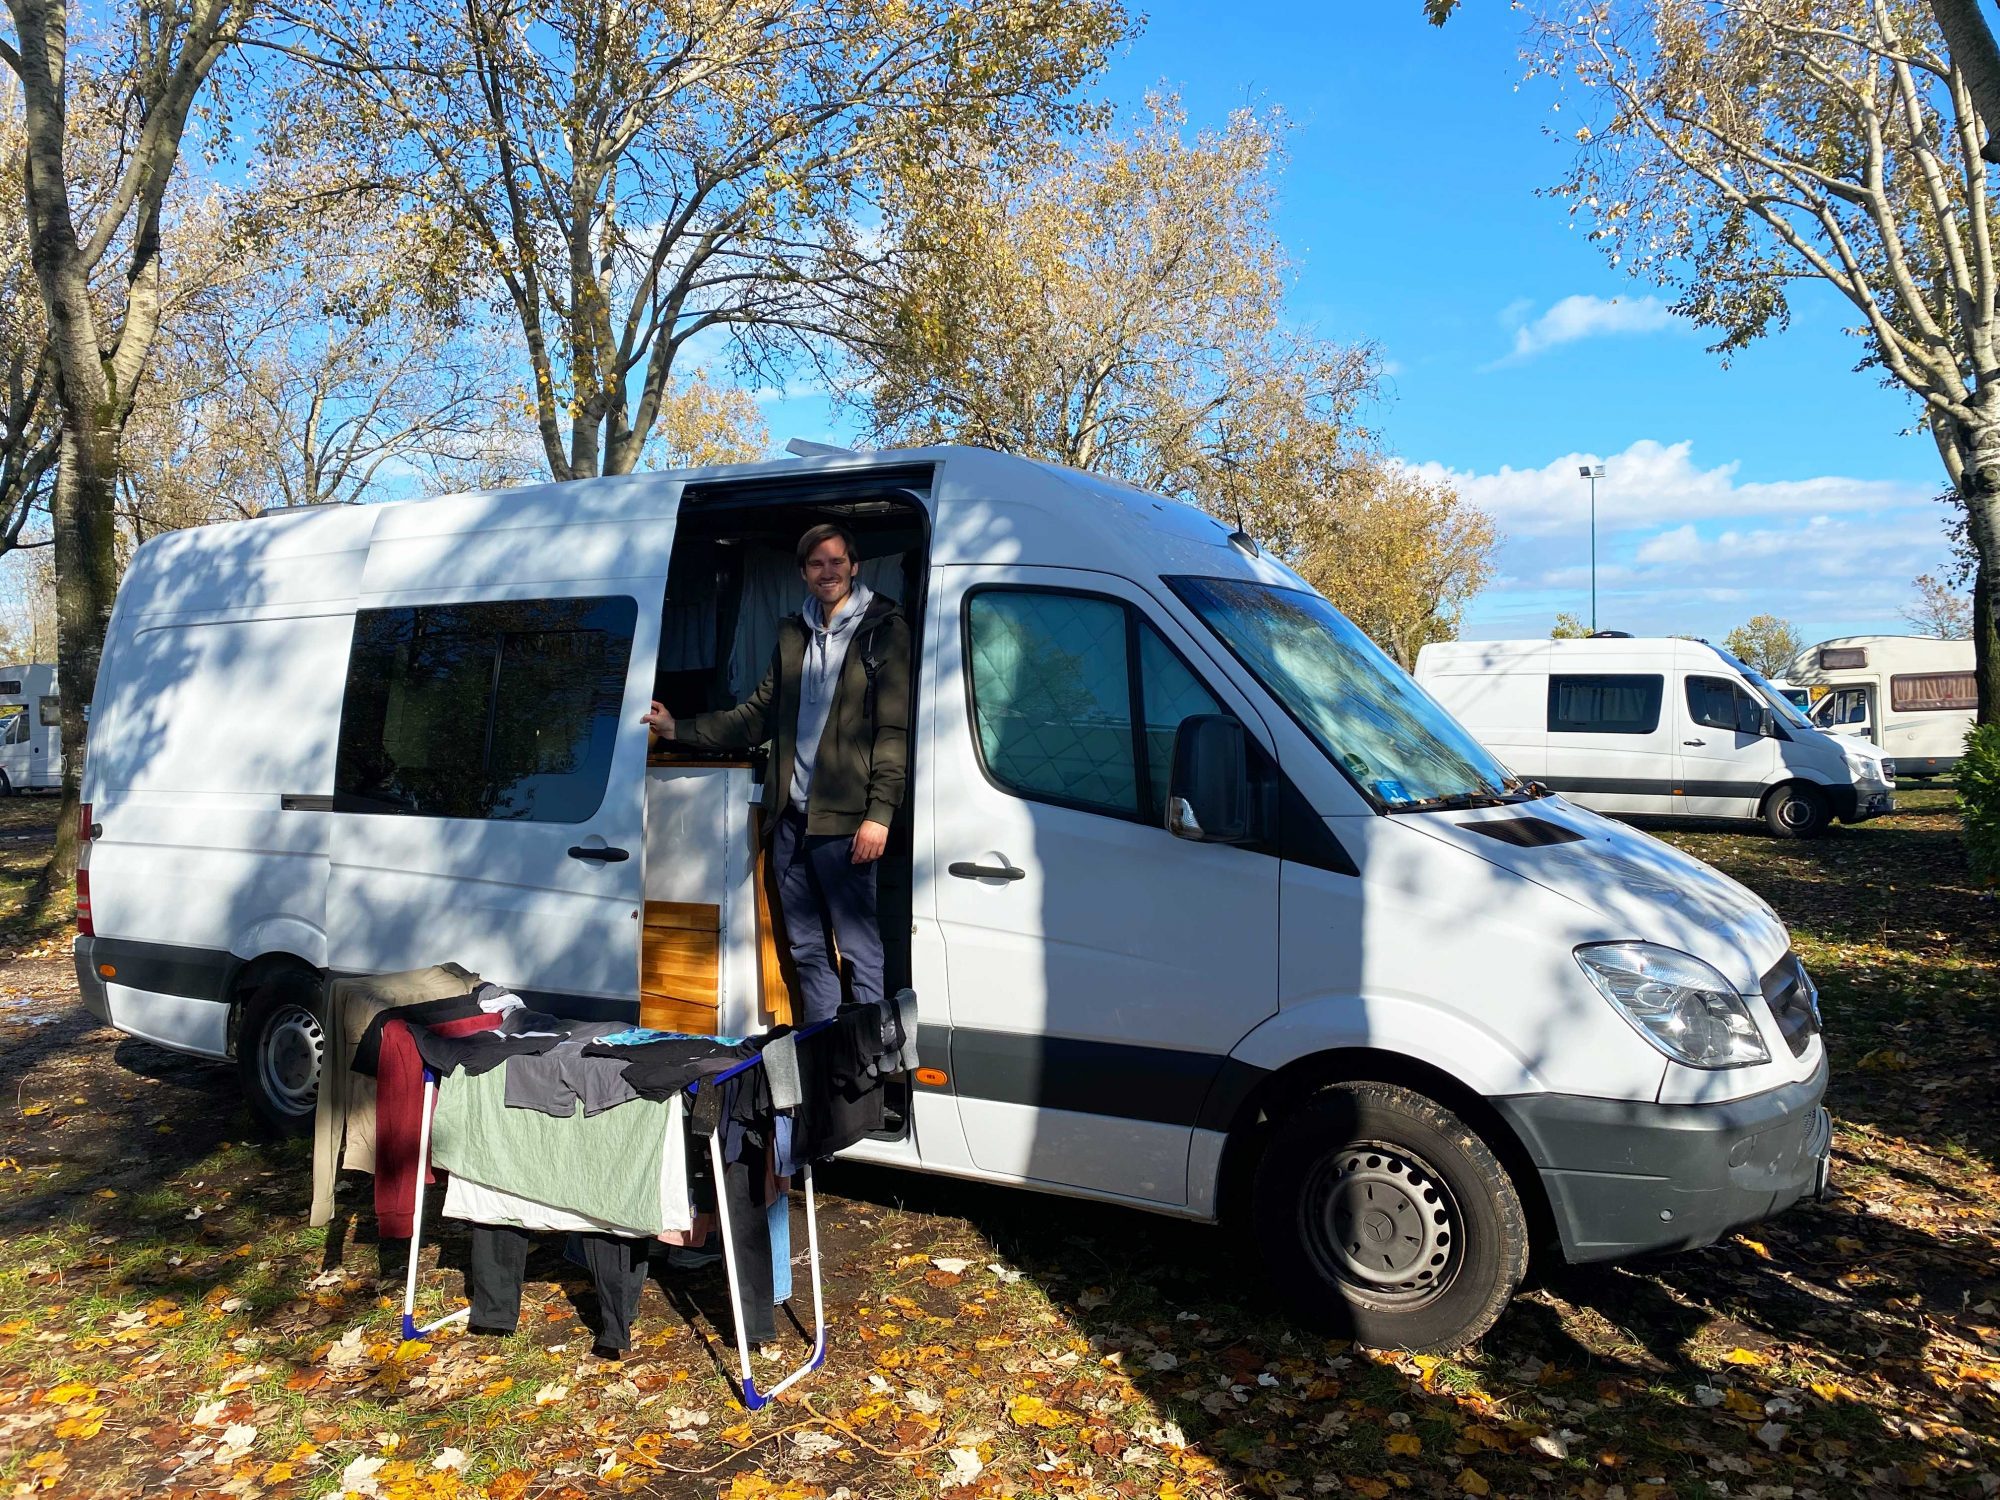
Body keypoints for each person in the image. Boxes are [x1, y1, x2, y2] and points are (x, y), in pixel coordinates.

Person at [643, 524, 910, 1025]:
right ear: (804, 573)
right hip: (790, 818)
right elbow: (755, 716)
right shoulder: (794, 633)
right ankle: (822, 1048)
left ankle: (869, 1054)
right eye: (816, 563)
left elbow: (892, 732)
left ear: (855, 567)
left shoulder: (884, 630)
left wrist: (880, 814)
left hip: (847, 821)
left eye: (836, 561)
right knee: (806, 948)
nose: (827, 571)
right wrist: (678, 728)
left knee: (858, 948)